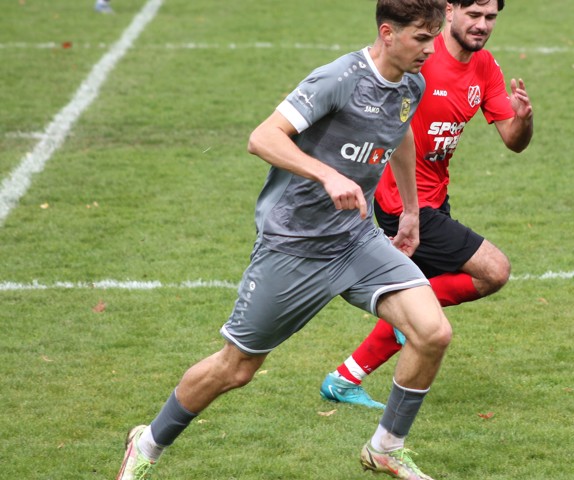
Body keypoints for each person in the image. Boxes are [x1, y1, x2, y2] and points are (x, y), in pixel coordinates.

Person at [116, 1, 450, 479]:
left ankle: (385, 447)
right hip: (294, 246)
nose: (430, 48)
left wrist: (413, 212)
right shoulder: (337, 78)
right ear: (388, 33)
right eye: (421, 37)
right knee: (236, 369)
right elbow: (263, 137)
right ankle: (146, 443)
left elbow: (399, 135)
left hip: (356, 241)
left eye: (433, 36)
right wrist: (326, 174)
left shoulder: (412, 83)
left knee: (432, 333)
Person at [319, 0, 533, 409]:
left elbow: (513, 140)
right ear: (449, 10)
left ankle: (344, 378)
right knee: (493, 270)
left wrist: (523, 119)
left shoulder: (484, 67)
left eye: (490, 17)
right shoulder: (420, 57)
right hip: (401, 203)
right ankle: (407, 312)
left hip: (435, 197)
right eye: (473, 14)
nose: (482, 25)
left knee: (422, 298)